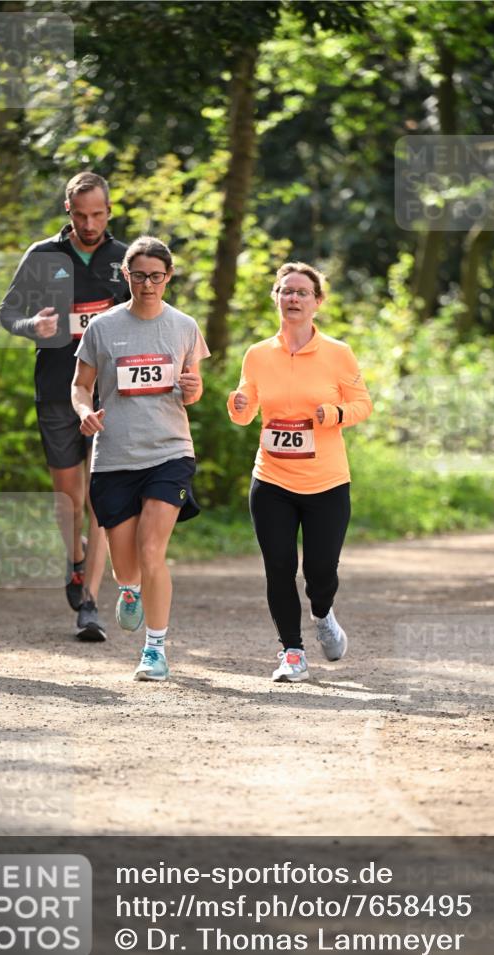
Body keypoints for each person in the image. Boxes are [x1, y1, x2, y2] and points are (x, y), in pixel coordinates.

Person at [71, 236, 210, 681]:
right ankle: (129, 590)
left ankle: (155, 649)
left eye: (156, 276)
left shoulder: (185, 326)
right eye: (138, 275)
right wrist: (84, 411)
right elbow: (79, 384)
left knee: (153, 549)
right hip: (114, 457)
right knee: (126, 564)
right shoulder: (102, 328)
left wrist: (193, 390)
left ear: (168, 278)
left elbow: (194, 385)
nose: (147, 284)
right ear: (125, 276)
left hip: (169, 451)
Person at [0, 172, 129, 642]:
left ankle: (90, 603)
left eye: (98, 214)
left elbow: (146, 318)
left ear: (109, 211)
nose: (90, 223)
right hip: (56, 390)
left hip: (109, 395)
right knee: (69, 499)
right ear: (67, 212)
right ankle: (75, 561)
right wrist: (32, 323)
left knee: (100, 498)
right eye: (81, 215)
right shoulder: (43, 256)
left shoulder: (124, 260)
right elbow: (6, 313)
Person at [227, 262, 373, 683]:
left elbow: (363, 404)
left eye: (302, 292)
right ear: (276, 297)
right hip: (271, 480)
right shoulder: (257, 354)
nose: (293, 298)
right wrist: (238, 406)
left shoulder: (337, 353)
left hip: (326, 482)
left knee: (321, 571)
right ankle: (292, 651)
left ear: (317, 302)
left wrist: (335, 414)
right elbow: (247, 408)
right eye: (286, 291)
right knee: (278, 566)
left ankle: (323, 613)